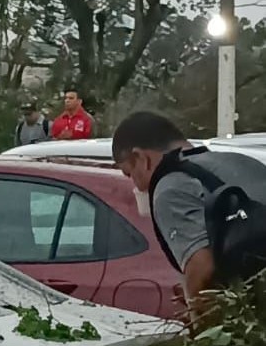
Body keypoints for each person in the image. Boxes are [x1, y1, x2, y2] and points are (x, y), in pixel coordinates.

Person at [112, 111, 266, 311]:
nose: (135, 184)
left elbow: (201, 267)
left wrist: (201, 329)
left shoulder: (170, 187)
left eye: (129, 173)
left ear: (140, 158)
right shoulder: (239, 161)